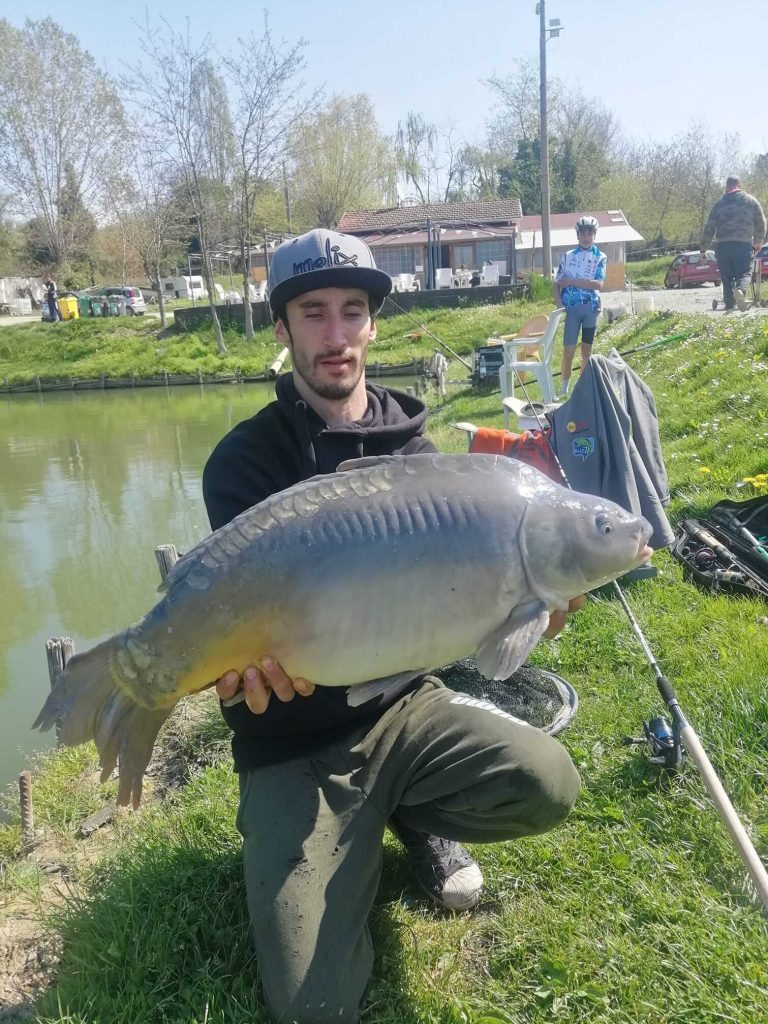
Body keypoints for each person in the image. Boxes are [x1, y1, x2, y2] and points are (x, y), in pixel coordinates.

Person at [202, 228, 581, 1024]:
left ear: (374, 324)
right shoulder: (242, 464)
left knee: (547, 782)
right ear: (283, 327)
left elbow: (460, 624)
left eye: (352, 312)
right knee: (315, 1009)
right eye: (313, 314)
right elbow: (244, 639)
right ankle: (315, 836)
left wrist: (521, 614)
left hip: (403, 710)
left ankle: (408, 814)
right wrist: (243, 673)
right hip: (291, 740)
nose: (335, 336)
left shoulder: (422, 455)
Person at [553, 216, 606, 399]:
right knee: (568, 351)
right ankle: (564, 389)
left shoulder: (600, 257)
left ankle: (582, 390)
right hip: (573, 310)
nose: (586, 237)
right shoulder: (568, 256)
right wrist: (560, 305)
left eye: (589, 233)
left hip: (591, 308)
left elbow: (598, 284)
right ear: (578, 235)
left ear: (594, 235)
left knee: (586, 352)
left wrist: (573, 282)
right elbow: (557, 283)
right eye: (582, 233)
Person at [700, 176, 767, 312]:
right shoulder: (750, 201)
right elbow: (761, 222)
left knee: (726, 277)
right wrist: (759, 241)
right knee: (745, 273)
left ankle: (730, 305)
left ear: (726, 186)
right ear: (739, 184)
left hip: (723, 246)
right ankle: (741, 290)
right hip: (743, 245)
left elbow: (709, 228)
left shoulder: (718, 204)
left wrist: (703, 250)